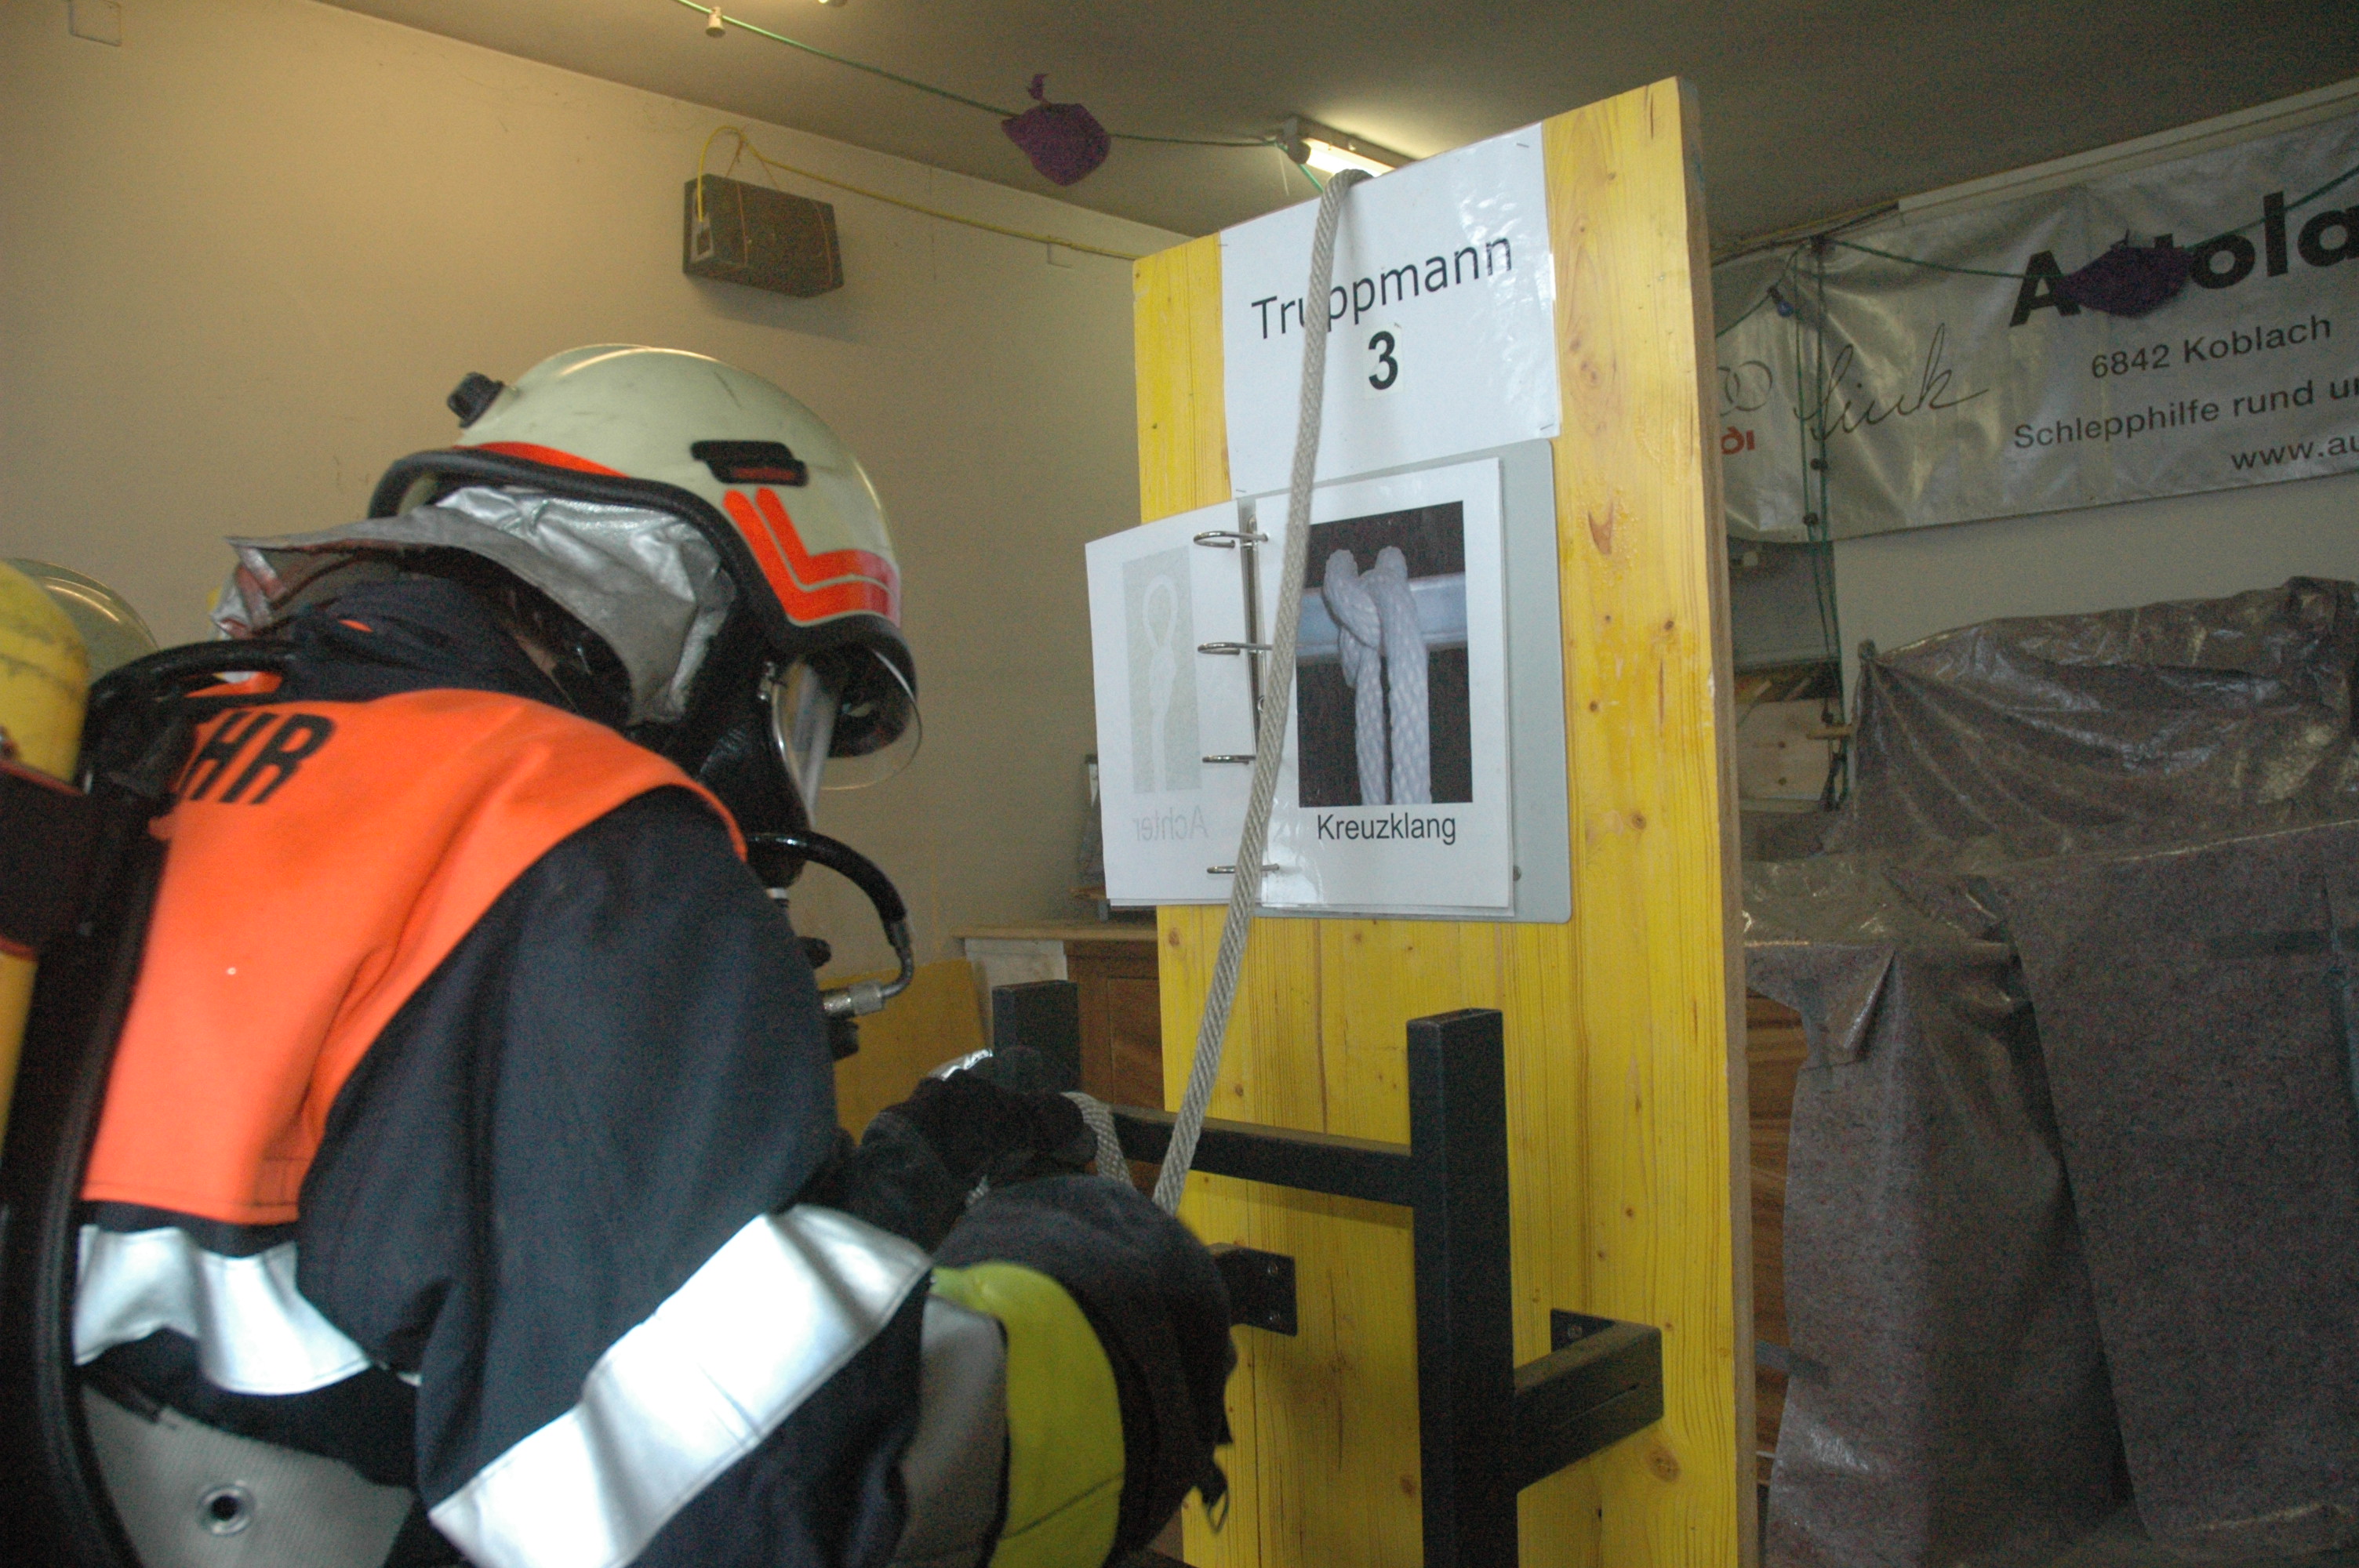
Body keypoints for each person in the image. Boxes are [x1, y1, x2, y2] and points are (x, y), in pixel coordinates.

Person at [55, 346, 1232, 1568]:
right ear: (716, 637)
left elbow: (381, 1221)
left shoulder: (166, 746)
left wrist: (869, 1213)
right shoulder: (582, 847)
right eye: (801, 707)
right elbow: (756, 1511)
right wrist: (1101, 1285)